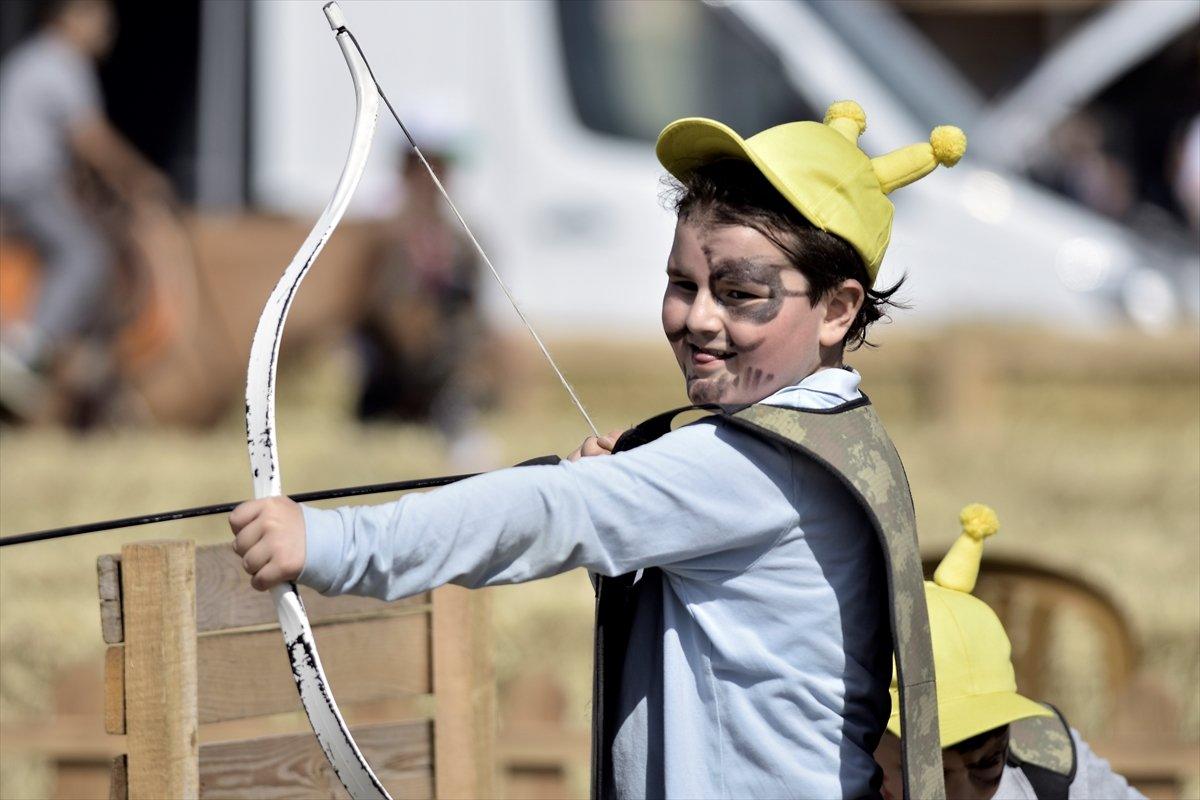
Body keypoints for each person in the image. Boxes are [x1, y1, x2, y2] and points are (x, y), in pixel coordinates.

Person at [230, 101, 966, 798]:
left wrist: (329, 541)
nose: (699, 318)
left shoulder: (750, 466)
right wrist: (638, 490)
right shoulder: (838, 434)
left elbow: (548, 510)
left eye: (740, 293)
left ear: (837, 308)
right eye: (683, 283)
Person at [874, 505, 1145, 800]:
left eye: (988, 765)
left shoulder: (1045, 763)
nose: (966, 795)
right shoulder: (830, 777)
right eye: (933, 774)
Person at [0, 0, 169, 416]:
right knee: (85, 255)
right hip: (26, 186)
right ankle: (24, 350)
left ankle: (88, 365)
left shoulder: (36, 59)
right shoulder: (60, 64)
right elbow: (91, 140)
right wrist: (141, 177)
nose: (107, 28)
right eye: (97, 18)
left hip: (34, 181)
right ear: (68, 17)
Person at [354, 141, 495, 468]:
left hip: (445, 369)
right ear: (405, 173)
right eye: (422, 169)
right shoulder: (381, 237)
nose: (431, 180)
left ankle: (456, 427)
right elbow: (380, 309)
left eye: (439, 170)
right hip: (388, 372)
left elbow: (475, 316)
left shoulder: (463, 240)